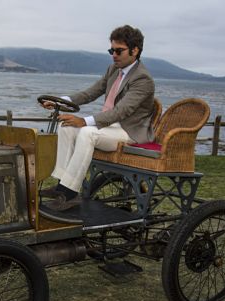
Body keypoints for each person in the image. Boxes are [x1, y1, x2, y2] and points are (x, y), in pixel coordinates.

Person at [40, 25, 155, 211]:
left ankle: (70, 194)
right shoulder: (114, 70)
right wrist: (59, 101)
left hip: (129, 132)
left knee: (87, 132)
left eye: (119, 51)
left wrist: (84, 121)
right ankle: (62, 184)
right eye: (112, 50)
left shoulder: (143, 79)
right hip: (109, 127)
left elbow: (121, 111)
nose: (114, 55)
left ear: (135, 51)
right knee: (67, 126)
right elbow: (90, 93)